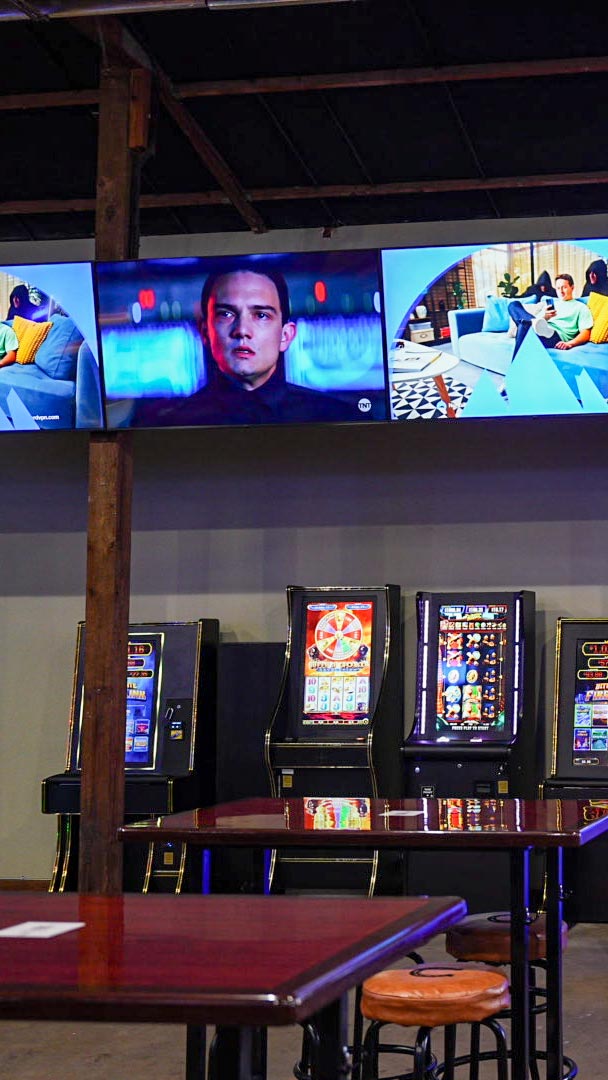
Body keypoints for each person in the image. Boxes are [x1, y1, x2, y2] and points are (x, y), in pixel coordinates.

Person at [128, 262, 358, 427]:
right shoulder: (169, 424)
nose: (242, 331)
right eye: (227, 314)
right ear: (205, 331)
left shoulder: (340, 417)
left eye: (261, 315)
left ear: (286, 336)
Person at [508, 273, 593, 358]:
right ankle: (531, 322)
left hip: (555, 336)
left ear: (572, 287)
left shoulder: (581, 307)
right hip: (538, 329)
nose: (561, 291)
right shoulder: (552, 304)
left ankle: (529, 324)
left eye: (564, 287)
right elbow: (538, 322)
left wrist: (569, 344)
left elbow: (586, 333)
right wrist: (545, 317)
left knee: (524, 326)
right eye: (558, 288)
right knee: (513, 305)